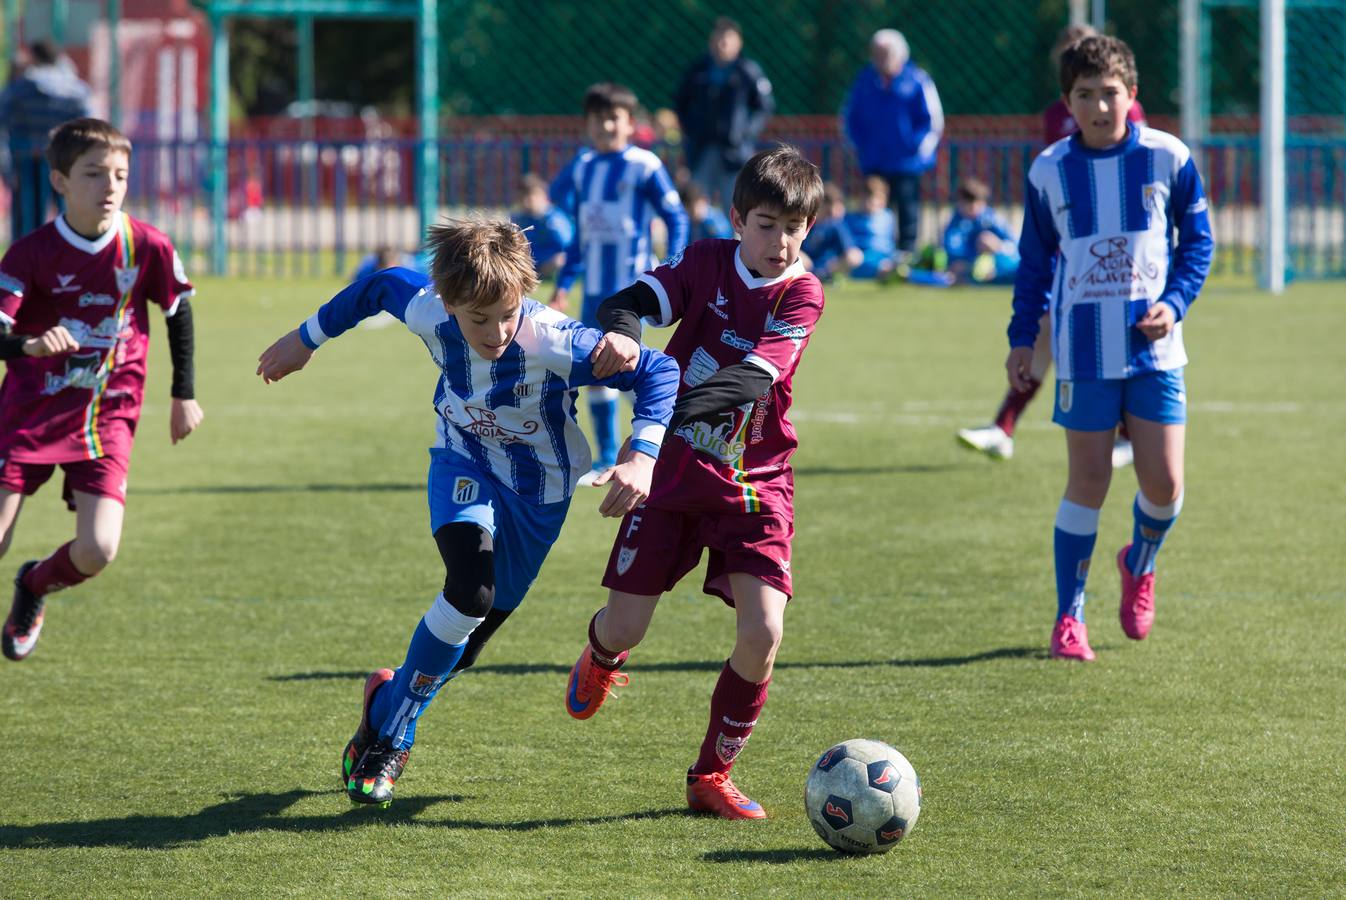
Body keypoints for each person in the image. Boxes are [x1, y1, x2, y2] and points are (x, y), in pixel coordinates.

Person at [257, 220, 679, 806]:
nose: (496, 331)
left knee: (469, 644)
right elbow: (376, 287)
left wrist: (642, 455)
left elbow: (659, 372)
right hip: (463, 460)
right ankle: (393, 740)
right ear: (448, 302)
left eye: (507, 314)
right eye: (477, 318)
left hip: (540, 491)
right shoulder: (428, 308)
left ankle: (385, 701)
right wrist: (306, 338)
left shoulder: (558, 340)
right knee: (469, 591)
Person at [562, 145, 826, 820]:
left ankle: (711, 774)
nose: (782, 240)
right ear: (739, 219)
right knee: (625, 627)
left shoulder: (802, 292)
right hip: (675, 475)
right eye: (768, 224)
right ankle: (600, 655)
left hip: (754, 481)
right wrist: (621, 336)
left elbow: (749, 381)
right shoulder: (706, 261)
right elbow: (631, 300)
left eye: (796, 226)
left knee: (765, 631)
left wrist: (659, 412)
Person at [1004, 35, 1212, 661]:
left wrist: (1172, 305)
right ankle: (1070, 619)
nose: (1099, 107)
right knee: (1088, 479)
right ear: (1067, 102)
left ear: (1132, 95)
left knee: (1166, 484)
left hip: (1154, 353)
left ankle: (1138, 562)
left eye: (1110, 94)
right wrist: (1021, 337)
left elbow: (1198, 245)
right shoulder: (1049, 169)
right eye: (1084, 96)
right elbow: (1034, 265)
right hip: (1084, 353)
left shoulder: (1168, 158)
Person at [0, 118, 202, 661]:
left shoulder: (147, 244)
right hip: (29, 411)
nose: (110, 186)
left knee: (98, 549)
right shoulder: (30, 253)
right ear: (61, 181)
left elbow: (178, 312)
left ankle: (35, 585)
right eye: (94, 174)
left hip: (106, 412)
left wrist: (184, 393)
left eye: (120, 174)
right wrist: (29, 346)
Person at [959, 24, 1146, 464]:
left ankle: (1125, 432)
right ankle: (1004, 427)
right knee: (1046, 332)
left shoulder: (1128, 114)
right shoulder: (1052, 116)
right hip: (1071, 242)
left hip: (1114, 248)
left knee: (1093, 332)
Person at [550, 82, 688, 483]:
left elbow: (676, 216)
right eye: (598, 118)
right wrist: (564, 282)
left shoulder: (644, 165)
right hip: (594, 289)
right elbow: (579, 236)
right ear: (587, 124)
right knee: (596, 368)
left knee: (629, 366)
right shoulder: (582, 166)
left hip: (631, 293)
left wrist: (673, 264)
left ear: (630, 123)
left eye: (614, 118)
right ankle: (607, 456)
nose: (606, 125)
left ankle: (657, 440)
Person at [842, 29, 942, 257]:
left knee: (907, 210)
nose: (879, 58)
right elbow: (849, 118)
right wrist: (859, 148)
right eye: (875, 53)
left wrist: (916, 150)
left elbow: (932, 122)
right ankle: (877, 253)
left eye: (884, 53)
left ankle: (906, 254)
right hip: (873, 159)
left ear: (900, 54)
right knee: (873, 209)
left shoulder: (917, 80)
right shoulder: (865, 81)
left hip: (906, 162)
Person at [674, 16, 775, 209]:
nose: (722, 45)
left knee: (738, 204)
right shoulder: (697, 70)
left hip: (734, 152)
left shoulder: (748, 71)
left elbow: (764, 106)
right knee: (696, 204)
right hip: (701, 149)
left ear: (738, 43)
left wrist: (746, 132)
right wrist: (691, 129)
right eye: (718, 39)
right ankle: (698, 240)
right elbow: (680, 103)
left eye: (727, 40)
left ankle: (737, 240)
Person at [0, 40, 92, 240]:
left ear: (33, 58)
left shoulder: (22, 88)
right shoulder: (76, 88)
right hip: (65, 162)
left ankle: (25, 264)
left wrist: (7, 167)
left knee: (27, 223)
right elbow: (89, 124)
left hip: (27, 161)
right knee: (70, 217)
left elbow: (3, 119)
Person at [941, 177, 1018, 284]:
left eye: (977, 205)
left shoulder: (992, 218)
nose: (973, 210)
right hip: (969, 267)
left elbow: (1014, 244)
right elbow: (952, 248)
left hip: (1001, 265)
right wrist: (964, 263)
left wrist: (999, 247)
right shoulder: (956, 222)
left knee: (986, 239)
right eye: (967, 206)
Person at [511, 173, 574, 277]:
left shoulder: (553, 220)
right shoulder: (520, 219)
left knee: (560, 259)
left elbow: (569, 248)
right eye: (522, 198)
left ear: (543, 197)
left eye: (530, 197)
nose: (526, 202)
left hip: (547, 265)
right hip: (527, 264)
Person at [800, 182, 861, 281]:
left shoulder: (836, 225)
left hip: (829, 267)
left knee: (855, 256)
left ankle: (830, 276)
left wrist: (833, 265)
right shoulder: (805, 222)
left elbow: (850, 251)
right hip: (807, 266)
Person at [844, 176, 899, 280]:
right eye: (866, 199)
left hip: (885, 255)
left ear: (884, 201)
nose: (870, 203)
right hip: (863, 256)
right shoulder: (850, 219)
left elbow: (891, 241)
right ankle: (884, 272)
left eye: (876, 200)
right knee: (855, 261)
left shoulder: (887, 216)